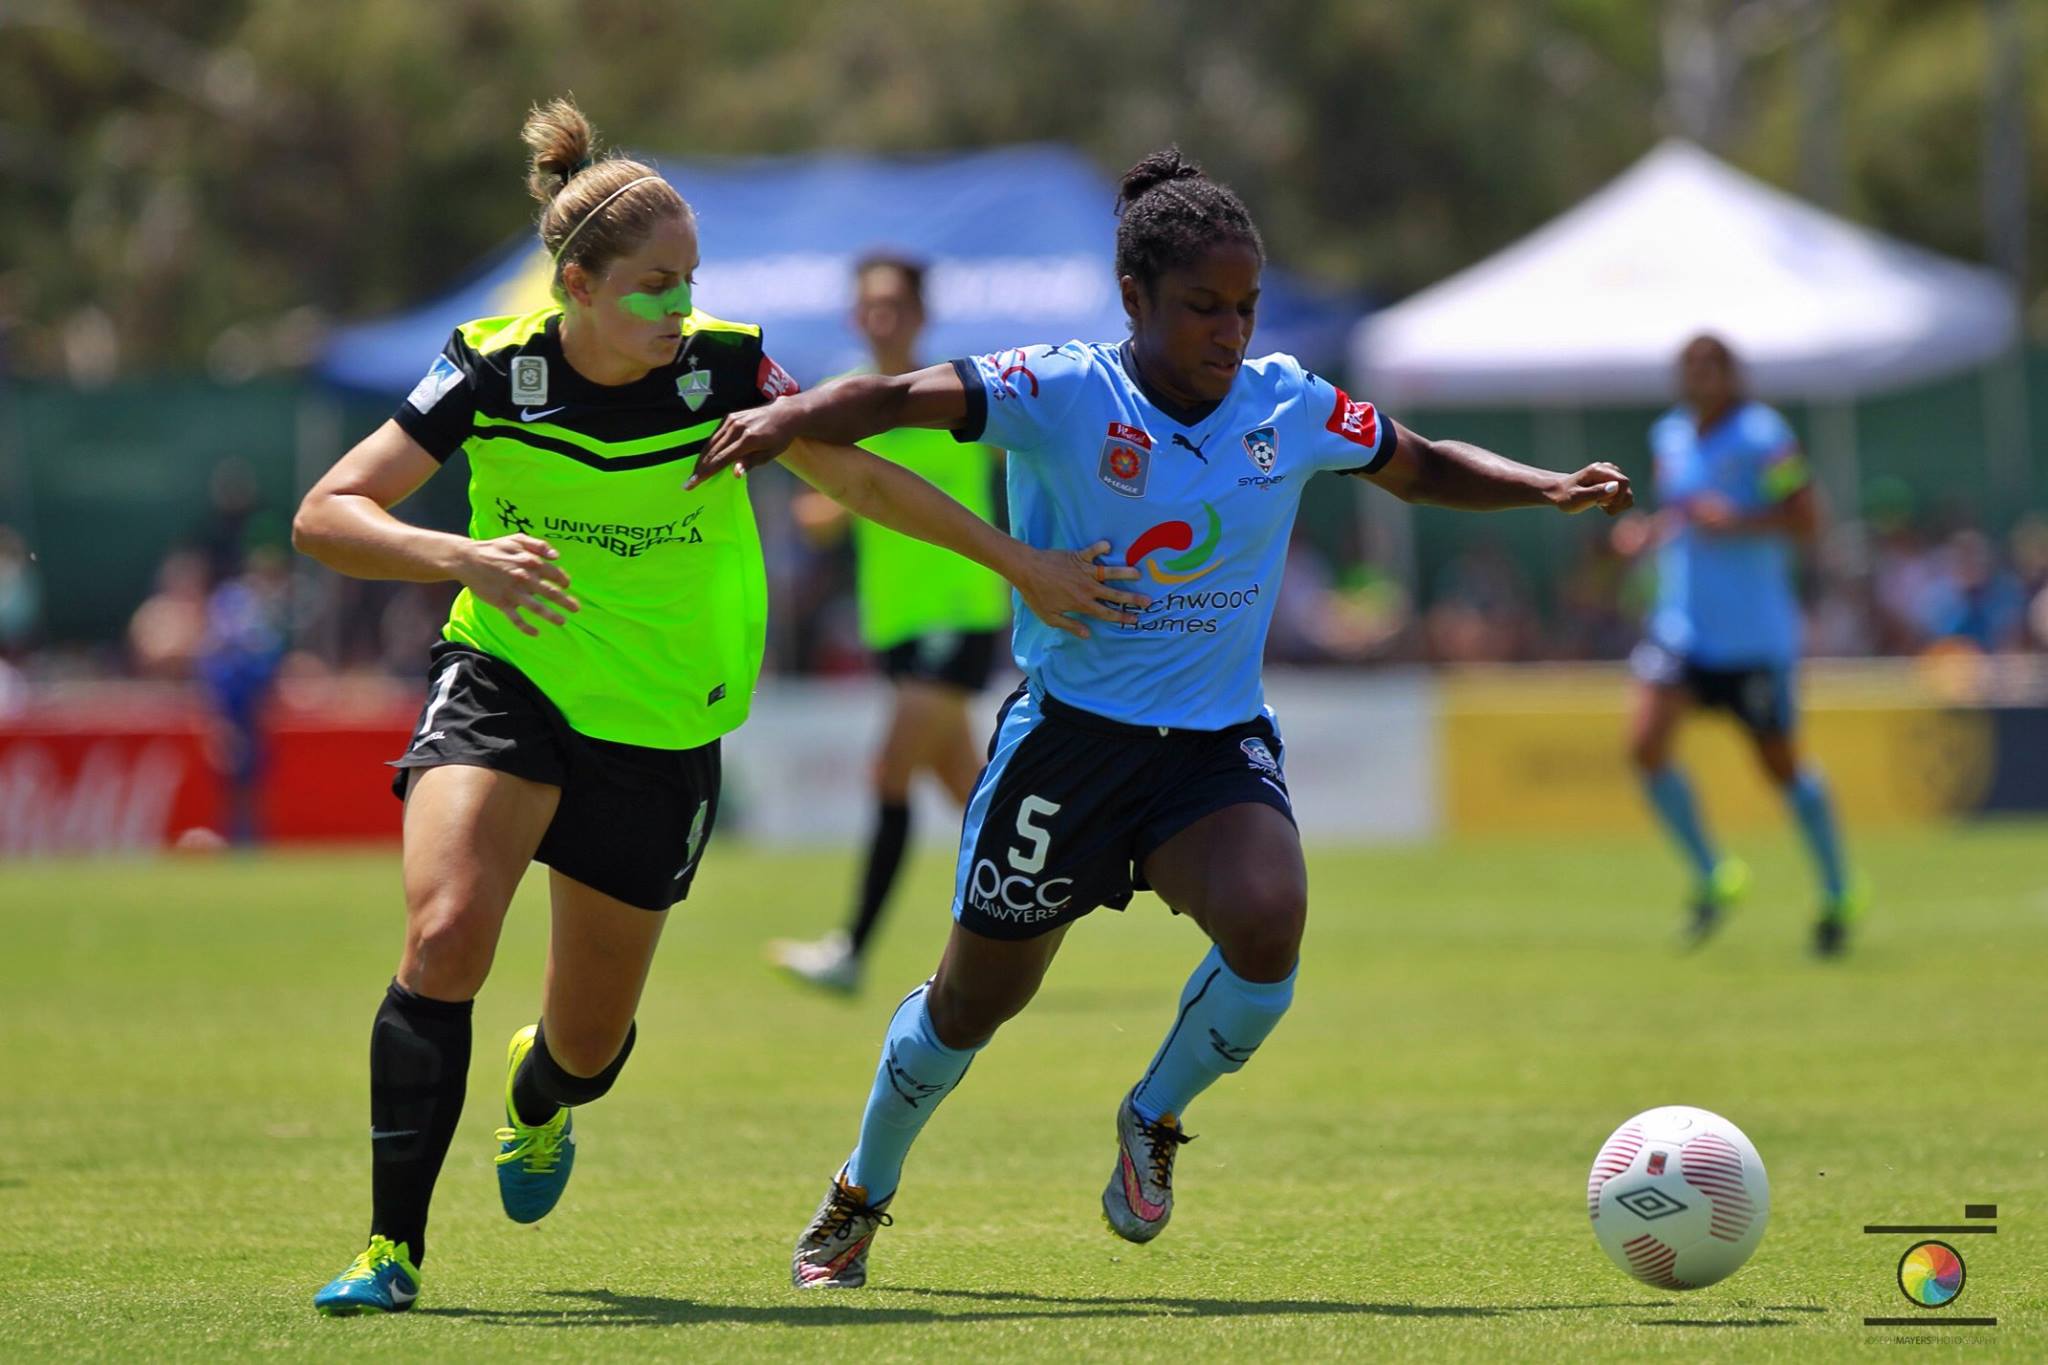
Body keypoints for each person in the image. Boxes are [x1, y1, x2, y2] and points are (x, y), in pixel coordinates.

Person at [694, 147, 1633, 1289]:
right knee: (968, 1006)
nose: (1227, 330)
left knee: (1268, 921)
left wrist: (1538, 484)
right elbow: (896, 398)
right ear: (1133, 298)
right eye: (1200, 307)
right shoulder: (1061, 389)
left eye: (1241, 307)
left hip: (1210, 750)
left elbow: (1421, 464)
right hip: (1066, 744)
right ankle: (858, 1192)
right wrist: (786, 420)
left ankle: (1152, 1115)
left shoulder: (1286, 403)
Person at [291, 97, 1140, 1317]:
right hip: (509, 677)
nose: (676, 307)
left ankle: (537, 1098)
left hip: (663, 725)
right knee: (443, 939)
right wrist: (462, 561)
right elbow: (329, 512)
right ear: (575, 285)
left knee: (584, 1049)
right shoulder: (488, 365)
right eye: (650, 285)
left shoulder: (723, 367)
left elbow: (853, 474)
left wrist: (1022, 565)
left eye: (688, 279)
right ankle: (391, 1252)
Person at [770, 254, 1009, 993]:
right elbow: (818, 520)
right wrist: (833, 498)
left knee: (890, 769)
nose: (882, 318)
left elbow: (1033, 453)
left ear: (920, 315)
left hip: (959, 614)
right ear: (855, 316)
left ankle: (853, 950)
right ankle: (1055, 895)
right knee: (970, 792)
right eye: (870, 305)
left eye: (895, 305)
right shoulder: (848, 403)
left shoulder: (955, 397)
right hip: (896, 626)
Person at [1619, 334, 1863, 956]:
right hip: (1682, 629)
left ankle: (1838, 890)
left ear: (1731, 374)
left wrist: (1737, 521)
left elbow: (1809, 518)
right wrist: (1647, 532)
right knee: (1644, 746)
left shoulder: (1764, 436)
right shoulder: (1668, 437)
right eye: (1690, 368)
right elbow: (1680, 514)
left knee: (1780, 767)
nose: (1699, 378)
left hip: (1751, 637)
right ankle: (1713, 875)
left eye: (1711, 367)